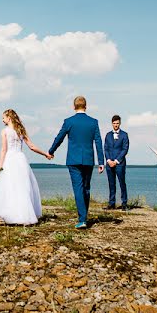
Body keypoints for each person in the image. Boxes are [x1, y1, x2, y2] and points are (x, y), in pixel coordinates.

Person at [0, 109, 52, 225]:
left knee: (11, 187)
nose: (2, 120)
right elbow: (31, 146)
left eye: (3, 117)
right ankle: (24, 216)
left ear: (9, 118)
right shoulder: (20, 130)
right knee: (23, 187)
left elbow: (4, 150)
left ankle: (13, 215)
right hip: (21, 160)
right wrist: (45, 154)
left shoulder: (5, 131)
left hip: (10, 160)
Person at [48, 96, 104, 229]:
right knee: (86, 188)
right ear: (86, 106)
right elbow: (98, 142)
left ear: (74, 107)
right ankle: (84, 217)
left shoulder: (69, 121)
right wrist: (101, 161)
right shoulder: (93, 122)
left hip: (73, 160)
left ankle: (82, 219)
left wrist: (51, 151)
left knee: (78, 188)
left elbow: (59, 138)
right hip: (89, 160)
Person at [104, 115, 130, 210]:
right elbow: (105, 148)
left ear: (120, 123)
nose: (116, 125)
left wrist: (116, 161)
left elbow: (125, 149)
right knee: (111, 184)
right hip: (109, 163)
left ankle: (124, 203)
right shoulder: (108, 135)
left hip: (120, 163)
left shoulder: (124, 135)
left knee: (122, 183)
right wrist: (108, 160)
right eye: (114, 123)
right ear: (112, 123)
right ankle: (111, 203)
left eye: (117, 123)